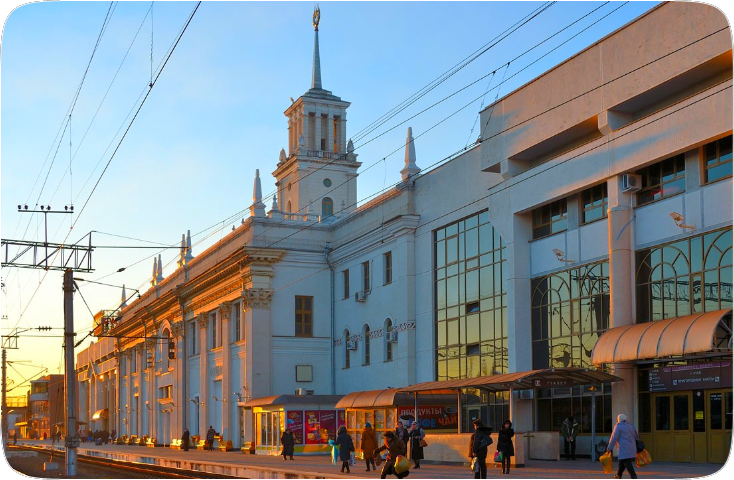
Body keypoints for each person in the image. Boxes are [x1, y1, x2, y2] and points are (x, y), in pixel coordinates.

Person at [607, 413, 638, 479]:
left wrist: (610, 447)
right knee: (622, 461)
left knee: (627, 462)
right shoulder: (630, 426)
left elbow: (614, 438)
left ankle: (633, 476)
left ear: (619, 419)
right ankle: (619, 475)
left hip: (624, 448)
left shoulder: (618, 426)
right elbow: (636, 435)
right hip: (632, 447)